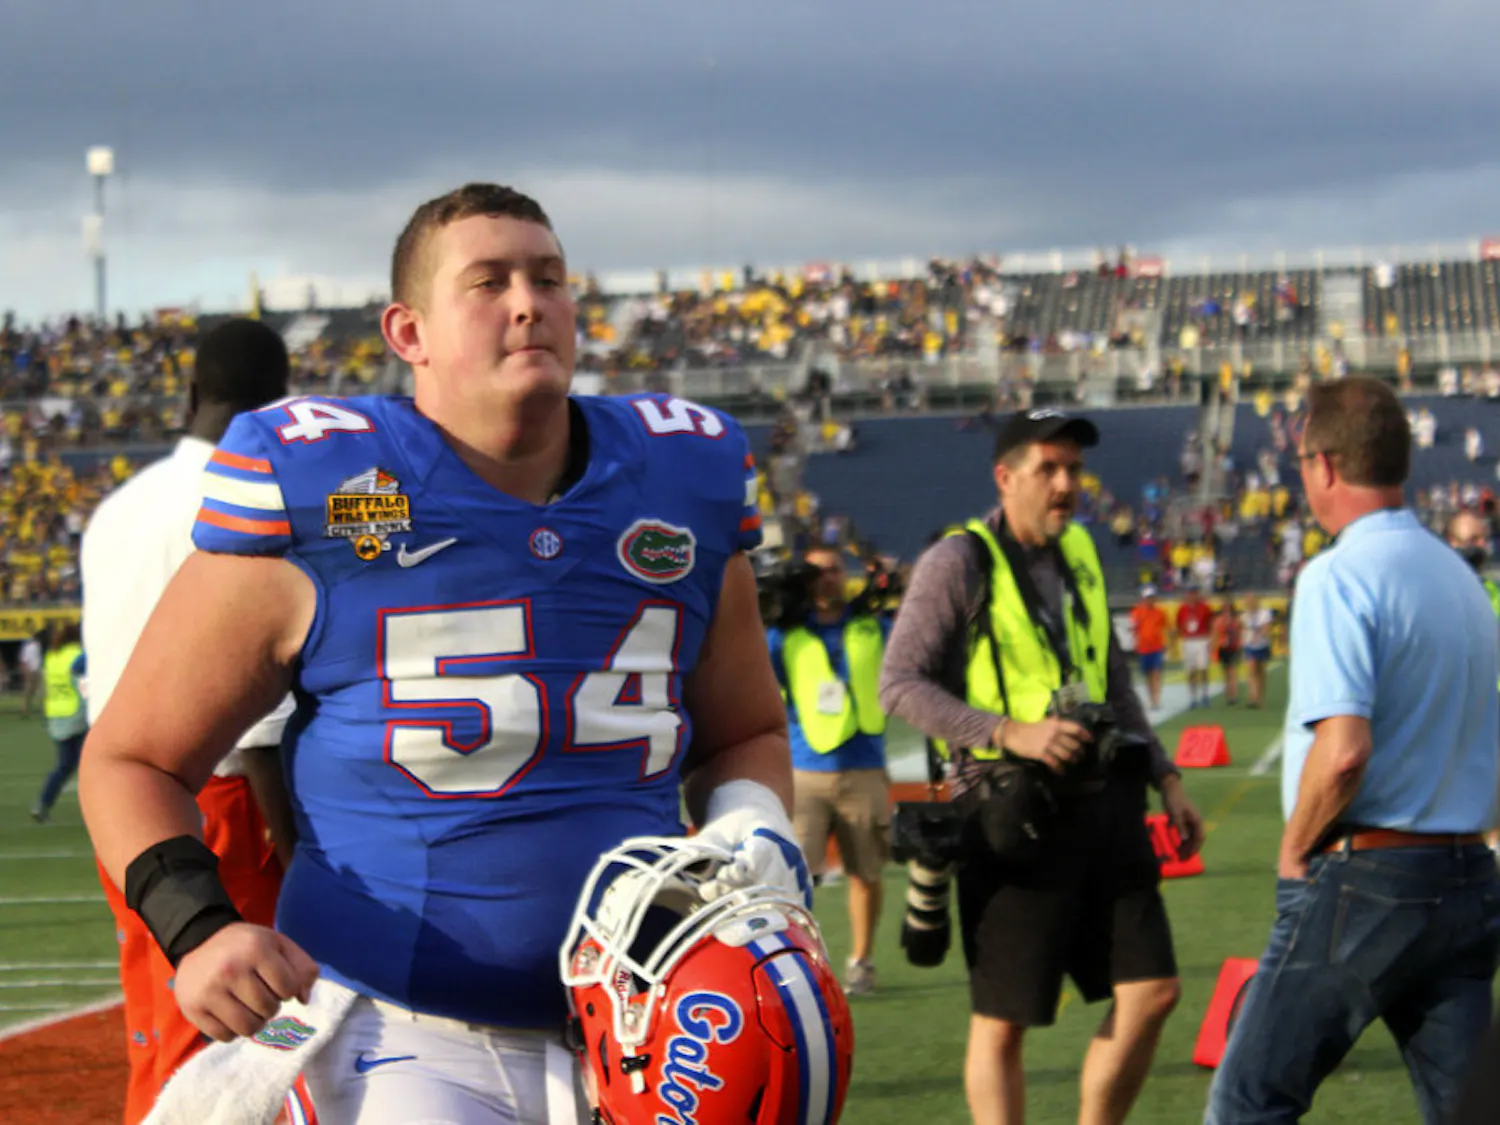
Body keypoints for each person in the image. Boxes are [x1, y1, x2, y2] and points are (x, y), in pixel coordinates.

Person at [77, 183, 810, 1125]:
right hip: (389, 1029)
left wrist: (752, 831)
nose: (527, 301)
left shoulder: (683, 478)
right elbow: (131, 756)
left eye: (549, 278)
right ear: (408, 331)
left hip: (639, 1027)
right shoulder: (327, 490)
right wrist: (201, 930)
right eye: (488, 280)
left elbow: (743, 729)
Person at [880, 408, 1204, 1125]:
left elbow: (1114, 678)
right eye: (1048, 470)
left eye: (1074, 469)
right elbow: (898, 683)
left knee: (1154, 989)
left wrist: (1167, 775)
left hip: (1105, 802)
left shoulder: (1082, 550)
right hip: (1011, 817)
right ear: (1006, 477)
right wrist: (1006, 730)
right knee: (1004, 1021)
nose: (1067, 484)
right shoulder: (958, 561)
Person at [1205, 377, 1500, 1125]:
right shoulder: (1461, 579)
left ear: (1324, 465)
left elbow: (1342, 751)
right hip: (1467, 872)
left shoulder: (1338, 574)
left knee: (1247, 1100)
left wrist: (1295, 845)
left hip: (1371, 868)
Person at [80, 318, 301, 1125]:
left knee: (163, 1021)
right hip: (226, 795)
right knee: (249, 1029)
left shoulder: (117, 510)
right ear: (281, 401)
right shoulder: (250, 498)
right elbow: (263, 721)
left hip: (125, 799)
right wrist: (303, 853)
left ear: (191, 390)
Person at [767, 546, 891, 996]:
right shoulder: (785, 635)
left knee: (867, 871)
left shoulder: (873, 625)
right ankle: (800, 962)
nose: (825, 579)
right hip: (806, 768)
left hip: (865, 766)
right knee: (796, 876)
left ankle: (862, 960)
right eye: (814, 572)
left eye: (834, 569)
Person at [30, 621, 86, 823]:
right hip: (78, 715)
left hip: (56, 715)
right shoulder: (78, 655)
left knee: (64, 765)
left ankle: (43, 803)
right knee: (89, 766)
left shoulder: (52, 656)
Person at [1128, 586, 1167, 711]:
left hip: (1156, 647)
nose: (1150, 600)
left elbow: (1163, 628)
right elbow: (1134, 629)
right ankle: (1151, 698)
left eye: (1152, 598)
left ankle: (1155, 699)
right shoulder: (1137, 612)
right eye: (1148, 598)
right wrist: (1135, 642)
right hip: (1144, 648)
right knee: (1147, 675)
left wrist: (1165, 643)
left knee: (1156, 673)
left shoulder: (1159, 613)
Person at [1175, 585, 1214, 708]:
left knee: (1203, 668)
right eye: (1190, 593)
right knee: (1191, 670)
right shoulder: (1182, 609)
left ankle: (1204, 694)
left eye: (1194, 593)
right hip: (1188, 640)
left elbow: (1211, 624)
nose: (1192, 596)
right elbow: (1179, 625)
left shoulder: (1205, 608)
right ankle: (1192, 697)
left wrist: (1211, 640)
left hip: (1202, 639)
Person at [1239, 593, 1273, 709]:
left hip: (1262, 644)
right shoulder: (1244, 616)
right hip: (1249, 645)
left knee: (1260, 670)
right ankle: (1252, 696)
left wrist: (1259, 636)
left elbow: (1266, 628)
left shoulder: (1264, 614)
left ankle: (1260, 696)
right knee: (1252, 669)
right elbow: (1242, 629)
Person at [1212, 599, 1241, 706]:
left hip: (1232, 648)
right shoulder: (1219, 620)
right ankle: (1228, 693)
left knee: (1232, 671)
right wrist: (1215, 647)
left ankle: (1233, 694)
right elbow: (1215, 634)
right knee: (1225, 672)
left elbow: (1239, 633)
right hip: (1223, 648)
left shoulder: (1235, 620)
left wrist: (1239, 645)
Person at [18, 630, 42, 718]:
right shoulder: (35, 647)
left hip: (32, 670)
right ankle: (25, 709)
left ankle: (25, 709)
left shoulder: (29, 647)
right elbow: (24, 661)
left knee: (29, 692)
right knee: (32, 691)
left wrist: (25, 671)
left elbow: (23, 661)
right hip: (34, 670)